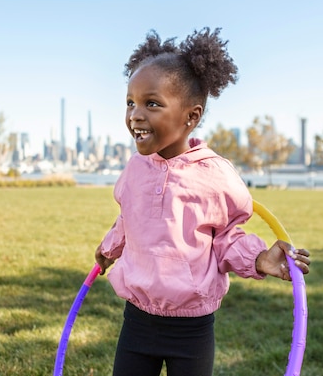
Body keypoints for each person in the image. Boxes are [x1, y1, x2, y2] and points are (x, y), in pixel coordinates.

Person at [95, 27, 311, 376]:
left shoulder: (214, 175)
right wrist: (109, 248)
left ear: (190, 117)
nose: (135, 114)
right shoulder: (135, 169)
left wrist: (259, 259)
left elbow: (227, 237)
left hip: (191, 329)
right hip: (136, 320)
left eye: (152, 104)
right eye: (130, 102)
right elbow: (129, 220)